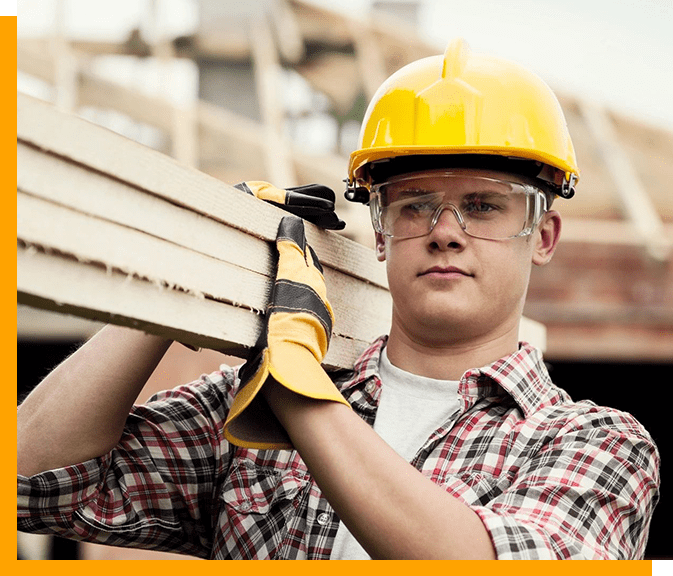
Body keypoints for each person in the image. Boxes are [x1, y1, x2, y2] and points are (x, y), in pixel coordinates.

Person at [17, 39, 659, 560]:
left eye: (482, 205)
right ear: (379, 232)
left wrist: (298, 394)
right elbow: (30, 483)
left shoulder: (595, 445)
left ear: (542, 236)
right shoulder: (242, 407)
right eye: (415, 206)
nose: (444, 232)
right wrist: (185, 282)